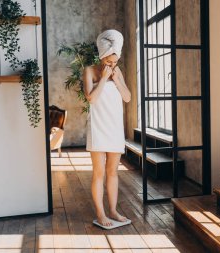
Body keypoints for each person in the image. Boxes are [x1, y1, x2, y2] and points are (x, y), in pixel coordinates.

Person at [83, 29, 131, 229]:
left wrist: (117, 79)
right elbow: (91, 98)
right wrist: (103, 78)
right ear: (102, 57)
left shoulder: (117, 72)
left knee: (113, 172)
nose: (112, 65)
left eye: (115, 62)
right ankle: (101, 213)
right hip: (97, 126)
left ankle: (113, 210)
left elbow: (127, 98)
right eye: (109, 62)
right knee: (99, 173)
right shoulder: (89, 71)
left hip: (114, 127)